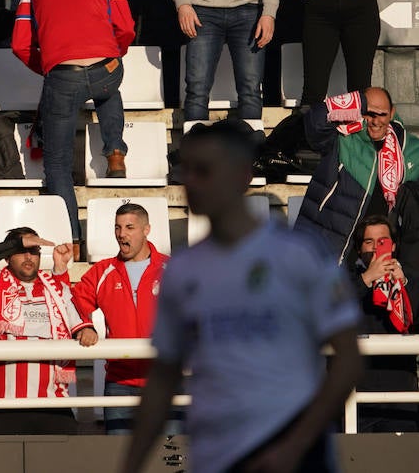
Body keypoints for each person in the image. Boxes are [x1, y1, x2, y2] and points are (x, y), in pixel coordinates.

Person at [120, 120, 363, 473]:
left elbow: (349, 359)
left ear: (242, 175)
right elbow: (163, 379)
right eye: (186, 169)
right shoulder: (181, 271)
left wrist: (296, 445)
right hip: (217, 457)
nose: (191, 182)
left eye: (204, 170)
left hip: (296, 452)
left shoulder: (299, 254)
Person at [12, 0, 135, 245]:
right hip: (105, 69)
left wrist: (49, 67)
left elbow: (19, 44)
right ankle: (115, 152)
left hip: (63, 76)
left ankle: (72, 239)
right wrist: (112, 53)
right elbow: (127, 26)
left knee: (57, 164)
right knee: (109, 86)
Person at [0, 227, 96, 435]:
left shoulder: (57, 289)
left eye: (34, 251)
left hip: (53, 405)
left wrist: (87, 330)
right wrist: (16, 243)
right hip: (0, 406)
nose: (28, 257)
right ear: (7, 257)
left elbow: (80, 324)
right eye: (21, 251)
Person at [71, 203, 172, 435]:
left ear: (146, 230)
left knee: (171, 460)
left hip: (165, 381)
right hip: (120, 383)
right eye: (117, 227)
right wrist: (84, 327)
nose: (121, 234)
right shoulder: (103, 271)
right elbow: (73, 301)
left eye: (129, 227)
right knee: (120, 459)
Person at [295, 87, 419, 261]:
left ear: (392, 113)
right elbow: (314, 121)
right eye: (369, 113)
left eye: (382, 114)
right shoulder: (342, 135)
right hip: (326, 248)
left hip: (377, 255)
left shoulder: (409, 147)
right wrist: (356, 101)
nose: (375, 121)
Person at [349, 215, 416, 432]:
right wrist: (367, 279)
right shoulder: (345, 281)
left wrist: (403, 286)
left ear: (393, 246)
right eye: (369, 242)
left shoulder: (411, 280)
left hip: (402, 400)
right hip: (358, 401)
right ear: (359, 249)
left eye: (382, 242)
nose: (376, 248)